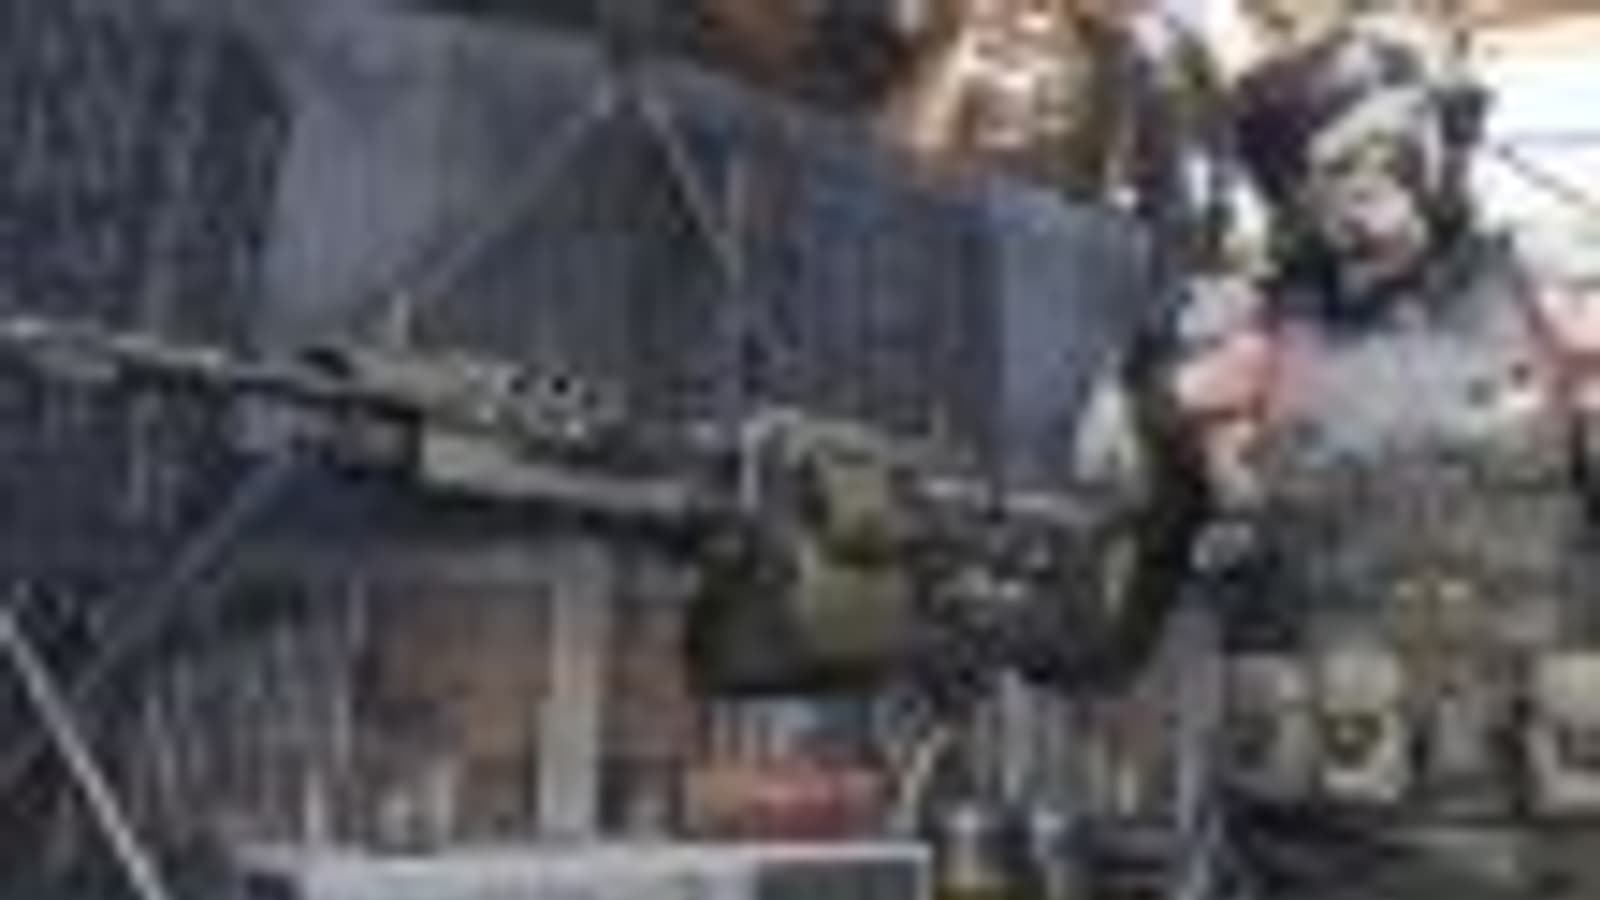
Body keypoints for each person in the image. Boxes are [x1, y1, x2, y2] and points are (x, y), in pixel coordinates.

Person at [1088, 11, 1600, 894]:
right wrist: (1156, 422)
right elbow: (1098, 628)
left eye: (1383, 152)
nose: (1367, 194)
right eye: (1338, 166)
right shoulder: (1226, 348)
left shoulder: (1571, 317)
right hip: (1306, 863)